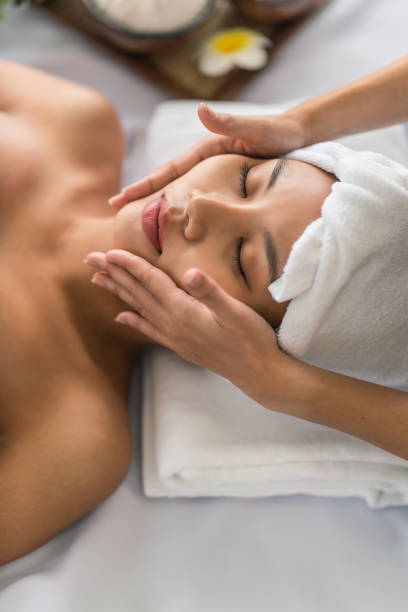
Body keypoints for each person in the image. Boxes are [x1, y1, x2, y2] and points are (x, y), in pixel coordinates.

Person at [0, 56, 404, 567]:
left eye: (242, 259)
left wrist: (285, 387)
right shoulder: (72, 119)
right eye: (248, 181)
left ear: (247, 341)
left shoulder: (73, 439)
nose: (202, 209)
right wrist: (300, 123)